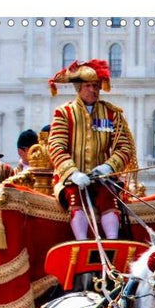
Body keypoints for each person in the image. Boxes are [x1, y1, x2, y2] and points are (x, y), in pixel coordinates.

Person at [47, 59, 134, 240]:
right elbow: (56, 146)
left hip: (102, 179)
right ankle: (82, 241)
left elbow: (124, 146)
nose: (94, 90)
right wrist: (73, 173)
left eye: (96, 86)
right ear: (79, 88)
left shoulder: (112, 114)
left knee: (108, 196)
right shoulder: (64, 113)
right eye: (88, 86)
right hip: (71, 181)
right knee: (75, 197)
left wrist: (108, 167)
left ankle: (112, 241)